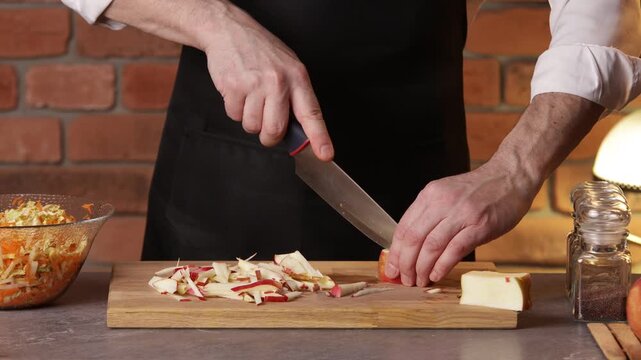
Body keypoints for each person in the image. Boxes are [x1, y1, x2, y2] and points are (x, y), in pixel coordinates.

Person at [63, 0, 641, 287]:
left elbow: (602, 10)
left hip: (421, 198)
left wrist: (516, 168)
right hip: (221, 183)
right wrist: (214, 22)